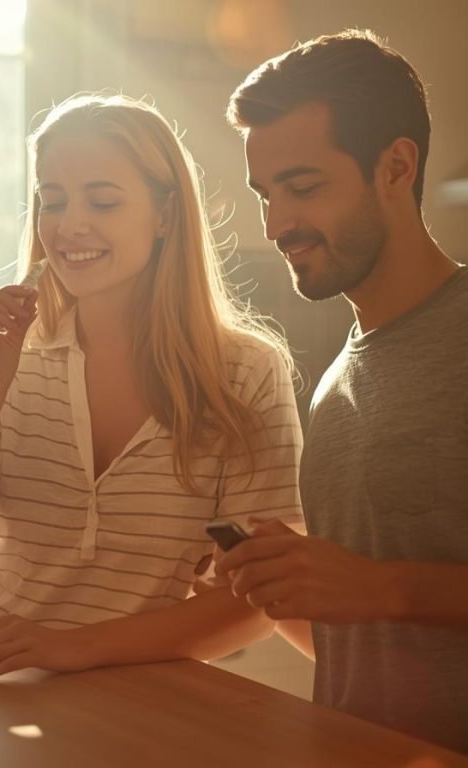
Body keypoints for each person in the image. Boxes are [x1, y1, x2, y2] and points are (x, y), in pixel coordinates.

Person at [0, 92, 304, 682]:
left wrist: (72, 647)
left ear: (165, 215)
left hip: (138, 707)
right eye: (52, 201)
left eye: (103, 201)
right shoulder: (13, 356)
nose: (69, 225)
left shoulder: (245, 373)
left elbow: (259, 603)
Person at [221, 29, 468, 753]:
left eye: (303, 188)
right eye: (266, 195)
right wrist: (292, 581)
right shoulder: (337, 381)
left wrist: (380, 586)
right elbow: (365, 642)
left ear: (396, 166)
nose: (277, 226)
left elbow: (382, 592)